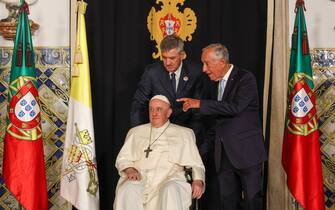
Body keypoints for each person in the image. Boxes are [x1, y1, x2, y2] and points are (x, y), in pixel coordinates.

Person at [177, 43, 267, 210]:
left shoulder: (245, 78)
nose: (204, 69)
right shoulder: (212, 83)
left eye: (207, 63)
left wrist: (199, 103)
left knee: (252, 203)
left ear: (222, 62)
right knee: (227, 204)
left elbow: (234, 107)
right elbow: (215, 121)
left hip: (247, 154)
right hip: (224, 156)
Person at [114, 95, 205, 210]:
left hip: (170, 179)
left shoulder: (184, 133)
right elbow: (123, 158)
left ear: (169, 112)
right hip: (141, 179)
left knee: (170, 190)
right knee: (128, 189)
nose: (154, 113)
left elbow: (196, 164)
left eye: (159, 109)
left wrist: (198, 180)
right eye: (151, 109)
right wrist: (130, 169)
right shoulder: (135, 132)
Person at [130, 35, 206, 147]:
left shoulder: (196, 72)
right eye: (164, 57)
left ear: (182, 55)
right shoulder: (152, 73)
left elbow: (198, 110)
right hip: (157, 133)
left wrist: (192, 138)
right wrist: (138, 135)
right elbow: (138, 105)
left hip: (186, 131)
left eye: (172, 58)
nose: (167, 63)